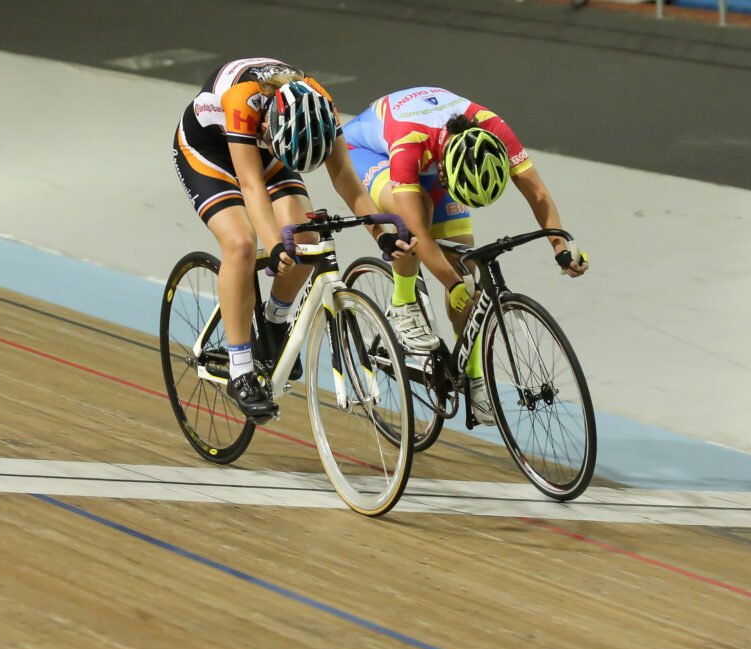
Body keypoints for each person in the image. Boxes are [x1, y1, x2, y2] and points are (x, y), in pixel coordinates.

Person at [173, 58, 415, 421]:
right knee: (240, 242)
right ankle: (240, 369)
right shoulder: (243, 101)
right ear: (270, 125)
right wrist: (272, 246)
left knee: (306, 234)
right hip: (208, 153)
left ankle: (274, 321)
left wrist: (381, 233)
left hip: (272, 148)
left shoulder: (319, 105)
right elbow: (252, 187)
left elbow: (347, 180)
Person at [343, 86, 588, 425]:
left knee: (465, 265)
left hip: (434, 156)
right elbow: (419, 234)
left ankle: (474, 377)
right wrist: (451, 283)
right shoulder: (408, 143)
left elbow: (538, 193)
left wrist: (560, 246)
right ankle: (402, 303)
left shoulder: (494, 129)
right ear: (445, 171)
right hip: (370, 151)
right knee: (419, 217)